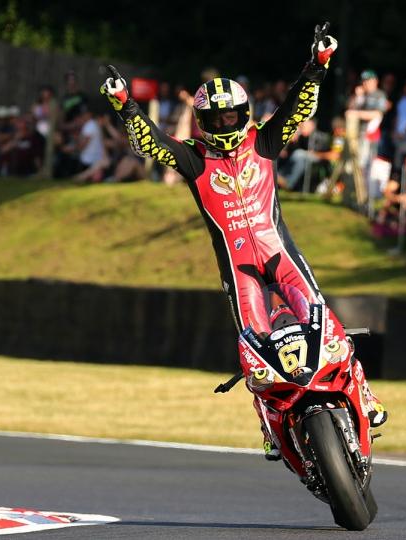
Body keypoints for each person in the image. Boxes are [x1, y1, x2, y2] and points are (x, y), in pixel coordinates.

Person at [100, 22, 387, 461]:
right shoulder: (193, 159)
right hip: (240, 271)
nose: (224, 123)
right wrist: (124, 105)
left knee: (327, 324)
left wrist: (318, 63)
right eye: (215, 119)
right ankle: (269, 426)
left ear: (244, 112)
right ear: (202, 122)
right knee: (253, 345)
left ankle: (365, 396)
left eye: (231, 115)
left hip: (280, 254)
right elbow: (152, 142)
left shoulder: (264, 141)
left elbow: (296, 108)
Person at [346, 70, 389, 197]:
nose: (365, 83)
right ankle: (355, 192)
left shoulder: (380, 95)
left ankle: (365, 195)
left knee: (365, 165)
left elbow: (377, 114)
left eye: (368, 80)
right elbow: (350, 109)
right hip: (357, 134)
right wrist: (357, 96)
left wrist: (357, 114)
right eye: (364, 81)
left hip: (371, 136)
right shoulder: (362, 94)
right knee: (354, 164)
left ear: (375, 81)